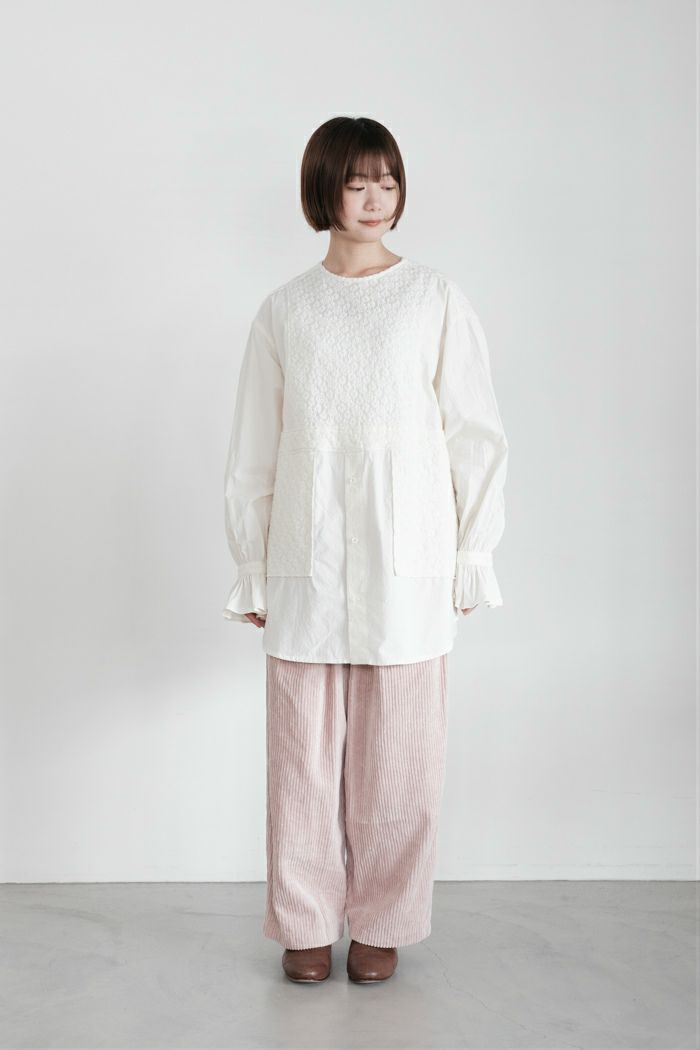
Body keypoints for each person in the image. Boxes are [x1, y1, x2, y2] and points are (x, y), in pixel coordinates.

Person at [222, 116, 509, 983]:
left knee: (401, 754)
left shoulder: (434, 299)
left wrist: (472, 550)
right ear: (325, 191)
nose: (375, 198)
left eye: (387, 180)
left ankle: (384, 919)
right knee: (301, 757)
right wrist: (252, 564)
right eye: (356, 182)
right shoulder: (285, 310)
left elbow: (475, 432)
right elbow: (255, 448)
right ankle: (305, 920)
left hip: (406, 550)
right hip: (306, 550)